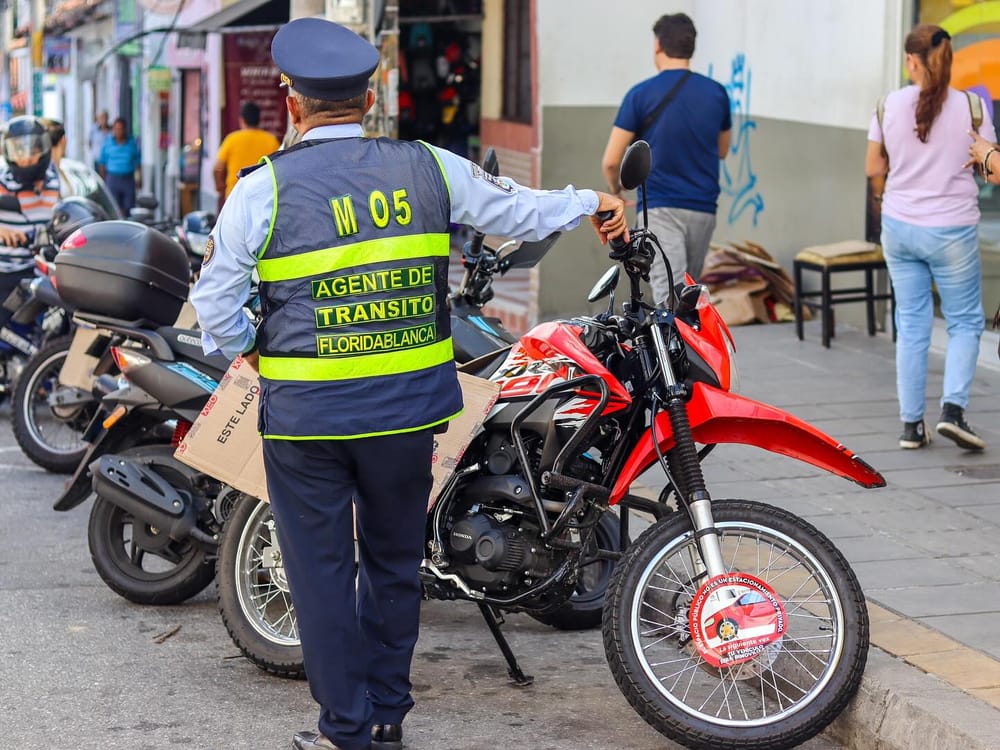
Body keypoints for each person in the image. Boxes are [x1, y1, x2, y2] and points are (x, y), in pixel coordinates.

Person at [190, 17, 627, 750]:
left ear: (293, 103)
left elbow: (214, 311)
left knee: (322, 574)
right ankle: (388, 717)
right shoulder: (429, 166)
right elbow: (518, 211)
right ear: (371, 97)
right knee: (394, 562)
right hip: (404, 416)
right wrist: (589, 201)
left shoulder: (261, 190)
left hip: (307, 423)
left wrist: (255, 354)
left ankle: (346, 732)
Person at [865, 24, 992, 451]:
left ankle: (910, 426)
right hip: (952, 231)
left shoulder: (887, 105)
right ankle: (952, 410)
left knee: (912, 323)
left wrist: (887, 201)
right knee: (965, 321)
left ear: (911, 62)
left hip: (900, 228)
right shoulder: (973, 107)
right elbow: (988, 165)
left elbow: (872, 168)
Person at [601, 12, 730, 304]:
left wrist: (616, 191)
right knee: (688, 295)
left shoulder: (640, 94)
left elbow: (611, 161)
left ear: (658, 45)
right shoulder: (717, 93)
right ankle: (684, 349)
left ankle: (672, 350)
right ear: (691, 48)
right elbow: (722, 149)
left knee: (668, 298)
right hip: (703, 208)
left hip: (660, 207)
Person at [0, 115, 61, 329]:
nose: (25, 158)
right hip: (5, 274)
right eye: (17, 150)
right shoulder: (2, 181)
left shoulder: (56, 182)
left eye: (31, 150)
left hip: (40, 275)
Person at [213, 100, 281, 211]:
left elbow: (217, 169)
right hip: (262, 199)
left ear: (242, 120)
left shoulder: (232, 139)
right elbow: (278, 170)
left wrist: (220, 188)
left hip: (234, 197)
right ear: (259, 120)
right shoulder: (271, 140)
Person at [98, 117, 141, 215]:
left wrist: (138, 179)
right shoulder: (107, 143)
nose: (119, 132)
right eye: (116, 129)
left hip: (128, 179)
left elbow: (137, 162)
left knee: (129, 208)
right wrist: (104, 181)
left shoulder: (132, 143)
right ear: (113, 130)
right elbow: (102, 163)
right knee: (114, 208)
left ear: (125, 130)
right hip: (112, 179)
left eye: (121, 129)